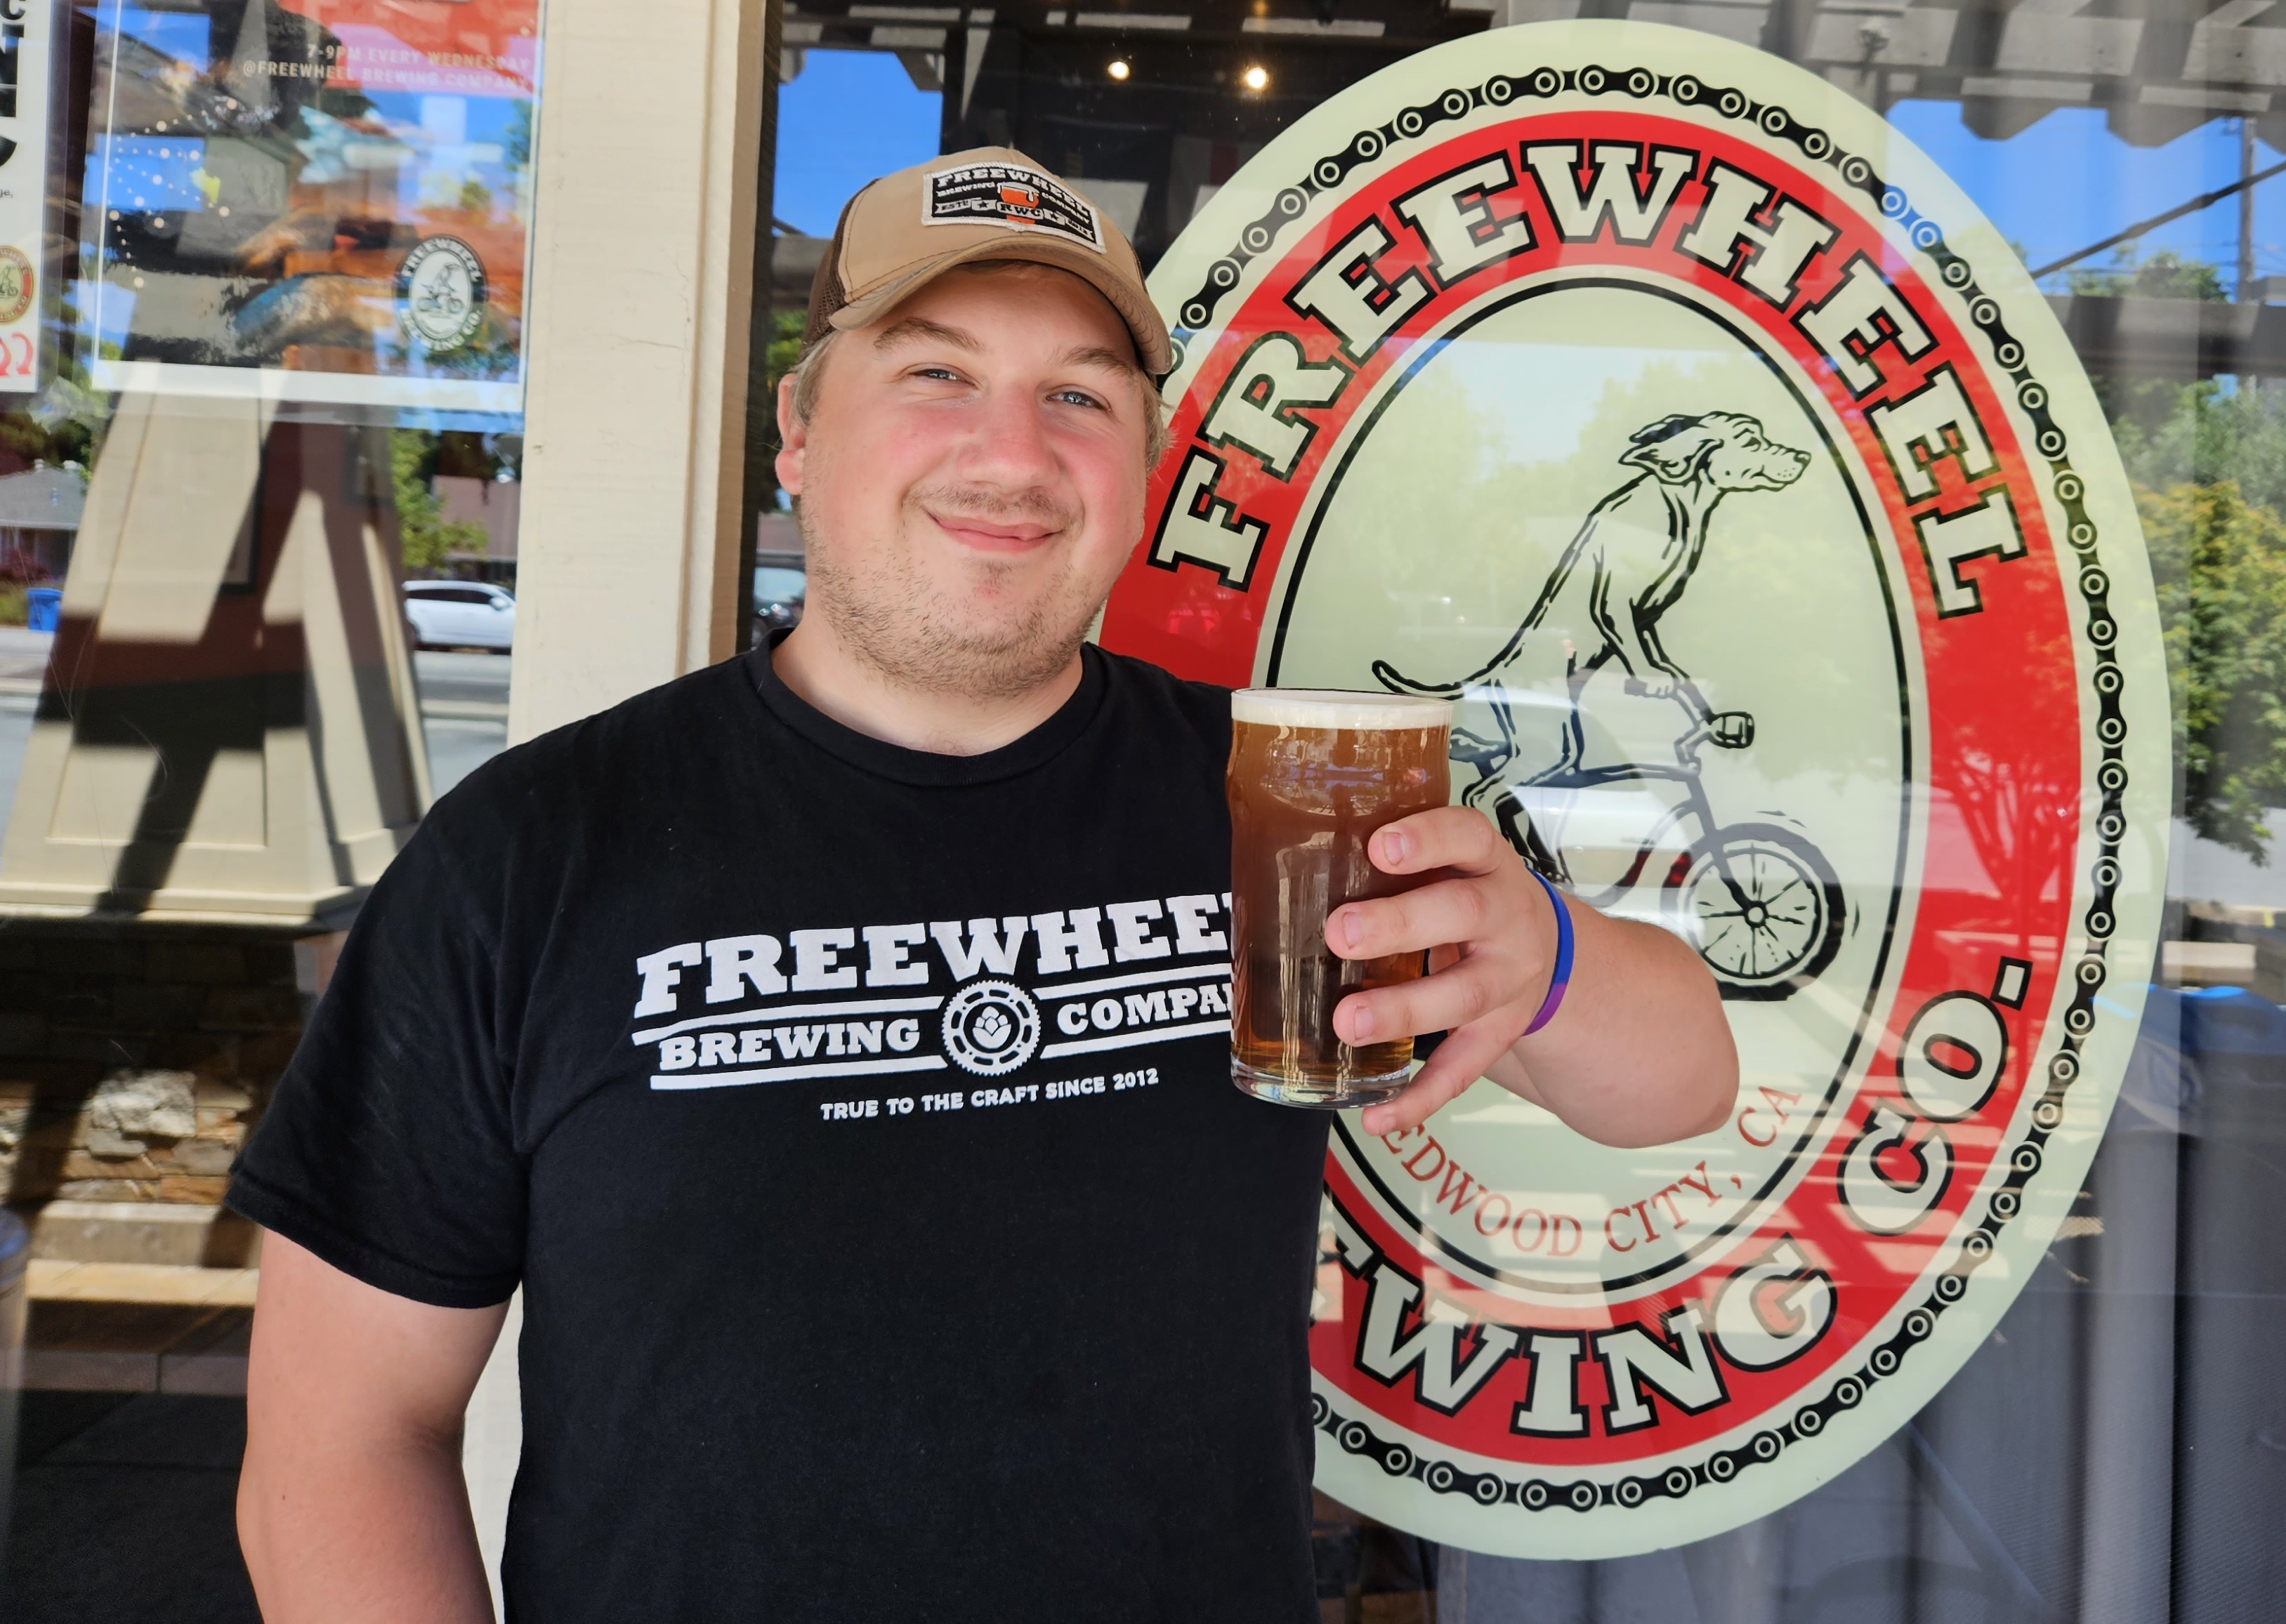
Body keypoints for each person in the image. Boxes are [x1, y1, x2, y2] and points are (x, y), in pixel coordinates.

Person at [229, 148, 1738, 1623]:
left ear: (1142, 465)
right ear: (799, 431)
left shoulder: (1285, 799)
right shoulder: (534, 851)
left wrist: (1536, 952)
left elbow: (1675, 1079)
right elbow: (339, 1443)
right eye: (935, 374)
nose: (1012, 455)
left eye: (1078, 395)